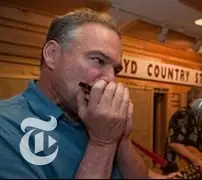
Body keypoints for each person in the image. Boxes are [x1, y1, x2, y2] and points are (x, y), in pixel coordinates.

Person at [0, 8, 178, 179]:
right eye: (99, 61)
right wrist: (102, 142)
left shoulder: (98, 118)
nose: (111, 79)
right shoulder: (6, 126)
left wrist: (122, 138)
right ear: (52, 55)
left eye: (116, 70)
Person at [162, 87, 202, 177]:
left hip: (192, 168)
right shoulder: (181, 114)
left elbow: (200, 148)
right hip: (176, 167)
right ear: (193, 100)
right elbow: (174, 142)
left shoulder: (199, 118)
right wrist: (195, 159)